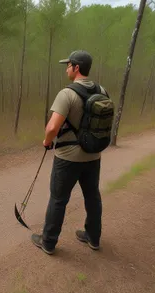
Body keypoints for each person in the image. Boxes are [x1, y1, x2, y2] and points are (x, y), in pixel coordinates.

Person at [31, 50, 110, 255]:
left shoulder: (67, 94)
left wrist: (47, 142)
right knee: (92, 196)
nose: (66, 68)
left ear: (76, 68)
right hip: (93, 155)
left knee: (58, 199)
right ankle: (93, 237)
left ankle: (48, 242)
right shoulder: (102, 90)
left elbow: (51, 128)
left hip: (67, 158)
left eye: (68, 65)